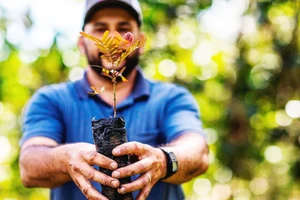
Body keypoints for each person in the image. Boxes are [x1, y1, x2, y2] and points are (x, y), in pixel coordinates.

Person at [19, 0, 209, 199]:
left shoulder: (171, 98)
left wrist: (163, 160)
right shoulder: (52, 100)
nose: (113, 38)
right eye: (101, 29)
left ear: (140, 41)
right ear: (82, 43)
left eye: (123, 28)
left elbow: (198, 152)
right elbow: (29, 166)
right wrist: (66, 158)